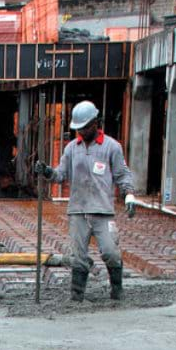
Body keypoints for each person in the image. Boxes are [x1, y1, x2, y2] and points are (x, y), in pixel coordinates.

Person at [35, 100, 136, 302]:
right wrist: (47, 171)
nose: (81, 132)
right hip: (78, 211)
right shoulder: (72, 148)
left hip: (102, 211)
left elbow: (122, 174)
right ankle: (77, 296)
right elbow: (60, 174)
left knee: (110, 252)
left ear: (95, 123)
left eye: (84, 128)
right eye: (78, 129)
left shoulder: (111, 147)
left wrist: (129, 194)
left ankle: (117, 289)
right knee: (78, 257)